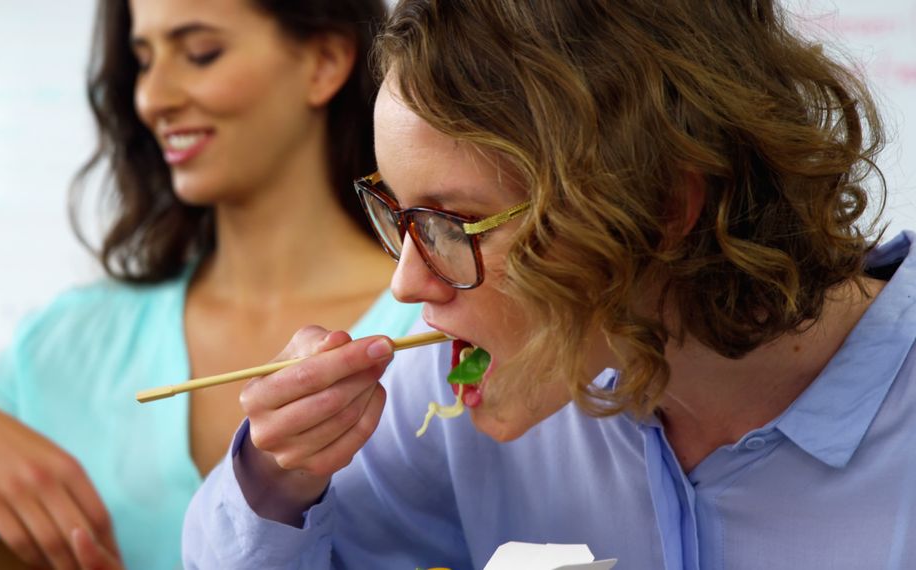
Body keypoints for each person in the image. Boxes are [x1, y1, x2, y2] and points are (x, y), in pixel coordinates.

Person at [183, 0, 916, 568]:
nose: (406, 283)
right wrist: (281, 477)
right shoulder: (457, 377)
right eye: (398, 216)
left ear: (661, 209)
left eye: (454, 224)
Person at [0, 0, 419, 568]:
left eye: (200, 53)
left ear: (323, 62)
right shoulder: (68, 343)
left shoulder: (434, 325)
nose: (152, 98)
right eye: (143, 60)